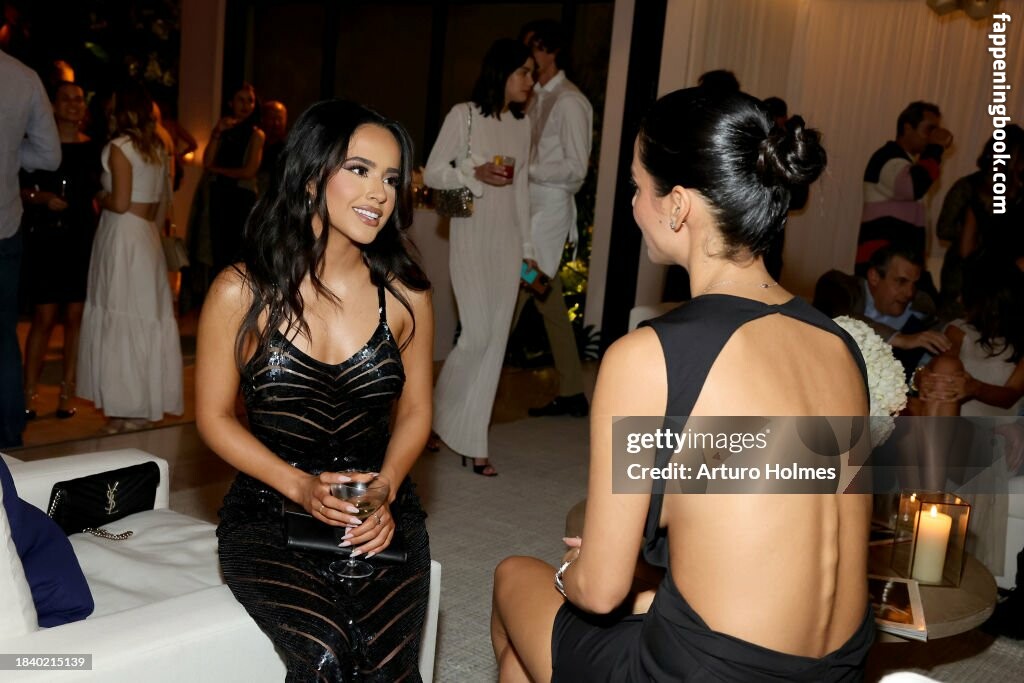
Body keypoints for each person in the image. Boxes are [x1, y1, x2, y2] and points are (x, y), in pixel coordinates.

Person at [491, 87, 874, 681]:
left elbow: (599, 592)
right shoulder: (839, 346)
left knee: (515, 578)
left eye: (637, 187)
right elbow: (765, 514)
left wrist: (578, 571)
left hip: (708, 674)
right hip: (837, 671)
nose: (634, 205)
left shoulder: (649, 356)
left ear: (676, 206)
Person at [195, 99, 433, 681]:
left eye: (391, 178)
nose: (379, 192)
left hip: (378, 513)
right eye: (359, 169)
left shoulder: (406, 296)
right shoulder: (240, 291)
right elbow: (213, 417)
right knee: (325, 652)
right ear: (309, 177)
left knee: (388, 664)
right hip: (269, 511)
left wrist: (387, 488)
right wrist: (300, 486)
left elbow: (417, 412)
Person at [424, 39, 534, 476]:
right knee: (477, 335)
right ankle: (435, 416)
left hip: (508, 241)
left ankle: (473, 440)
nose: (530, 81)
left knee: (496, 342)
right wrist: (474, 172)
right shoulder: (464, 115)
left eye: (531, 73)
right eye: (524, 72)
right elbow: (434, 172)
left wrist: (528, 252)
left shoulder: (523, 125)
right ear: (501, 73)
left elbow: (522, 193)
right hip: (470, 234)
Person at [77, 84, 183, 433]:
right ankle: (137, 406)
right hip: (146, 236)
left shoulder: (119, 148)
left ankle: (125, 409)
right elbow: (161, 203)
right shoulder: (158, 147)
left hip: (121, 235)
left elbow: (120, 202)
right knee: (141, 315)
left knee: (119, 316)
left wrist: (99, 195)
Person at [514, 20, 593, 419]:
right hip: (526, 205)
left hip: (549, 211)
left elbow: (576, 170)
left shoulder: (570, 101)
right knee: (548, 297)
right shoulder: (535, 97)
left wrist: (526, 169)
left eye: (535, 48)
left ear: (552, 51)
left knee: (520, 283)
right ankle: (574, 391)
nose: (529, 56)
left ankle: (476, 381)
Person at [20, 81, 101, 421]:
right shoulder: (39, 146)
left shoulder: (94, 148)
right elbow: (18, 187)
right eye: (66, 98)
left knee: (75, 317)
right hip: (47, 237)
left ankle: (68, 390)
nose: (73, 104)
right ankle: (28, 391)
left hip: (81, 236)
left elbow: (102, 192)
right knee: (44, 316)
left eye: (79, 99)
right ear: (53, 105)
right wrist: (40, 198)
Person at [0, 47, 60, 448]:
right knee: (4, 336)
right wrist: (9, 150)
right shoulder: (23, 76)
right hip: (4, 228)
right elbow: (49, 157)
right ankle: (8, 435)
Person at [813, 244, 949, 376]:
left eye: (914, 284)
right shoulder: (840, 286)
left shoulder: (921, 310)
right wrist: (900, 339)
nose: (909, 293)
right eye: (901, 281)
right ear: (874, 277)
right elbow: (841, 318)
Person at [857, 101, 953, 277]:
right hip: (882, 268)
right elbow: (914, 186)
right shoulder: (887, 157)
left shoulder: (909, 164)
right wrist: (936, 147)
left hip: (898, 266)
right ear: (907, 128)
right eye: (929, 129)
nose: (932, 136)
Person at [937, 125, 1024, 317]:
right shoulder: (969, 187)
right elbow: (944, 229)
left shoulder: (1017, 195)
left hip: (1002, 284)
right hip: (962, 280)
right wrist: (979, 233)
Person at [257, 99, 288, 195]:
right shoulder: (255, 143)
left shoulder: (288, 148)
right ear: (262, 119)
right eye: (272, 118)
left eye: (280, 119)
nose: (276, 123)